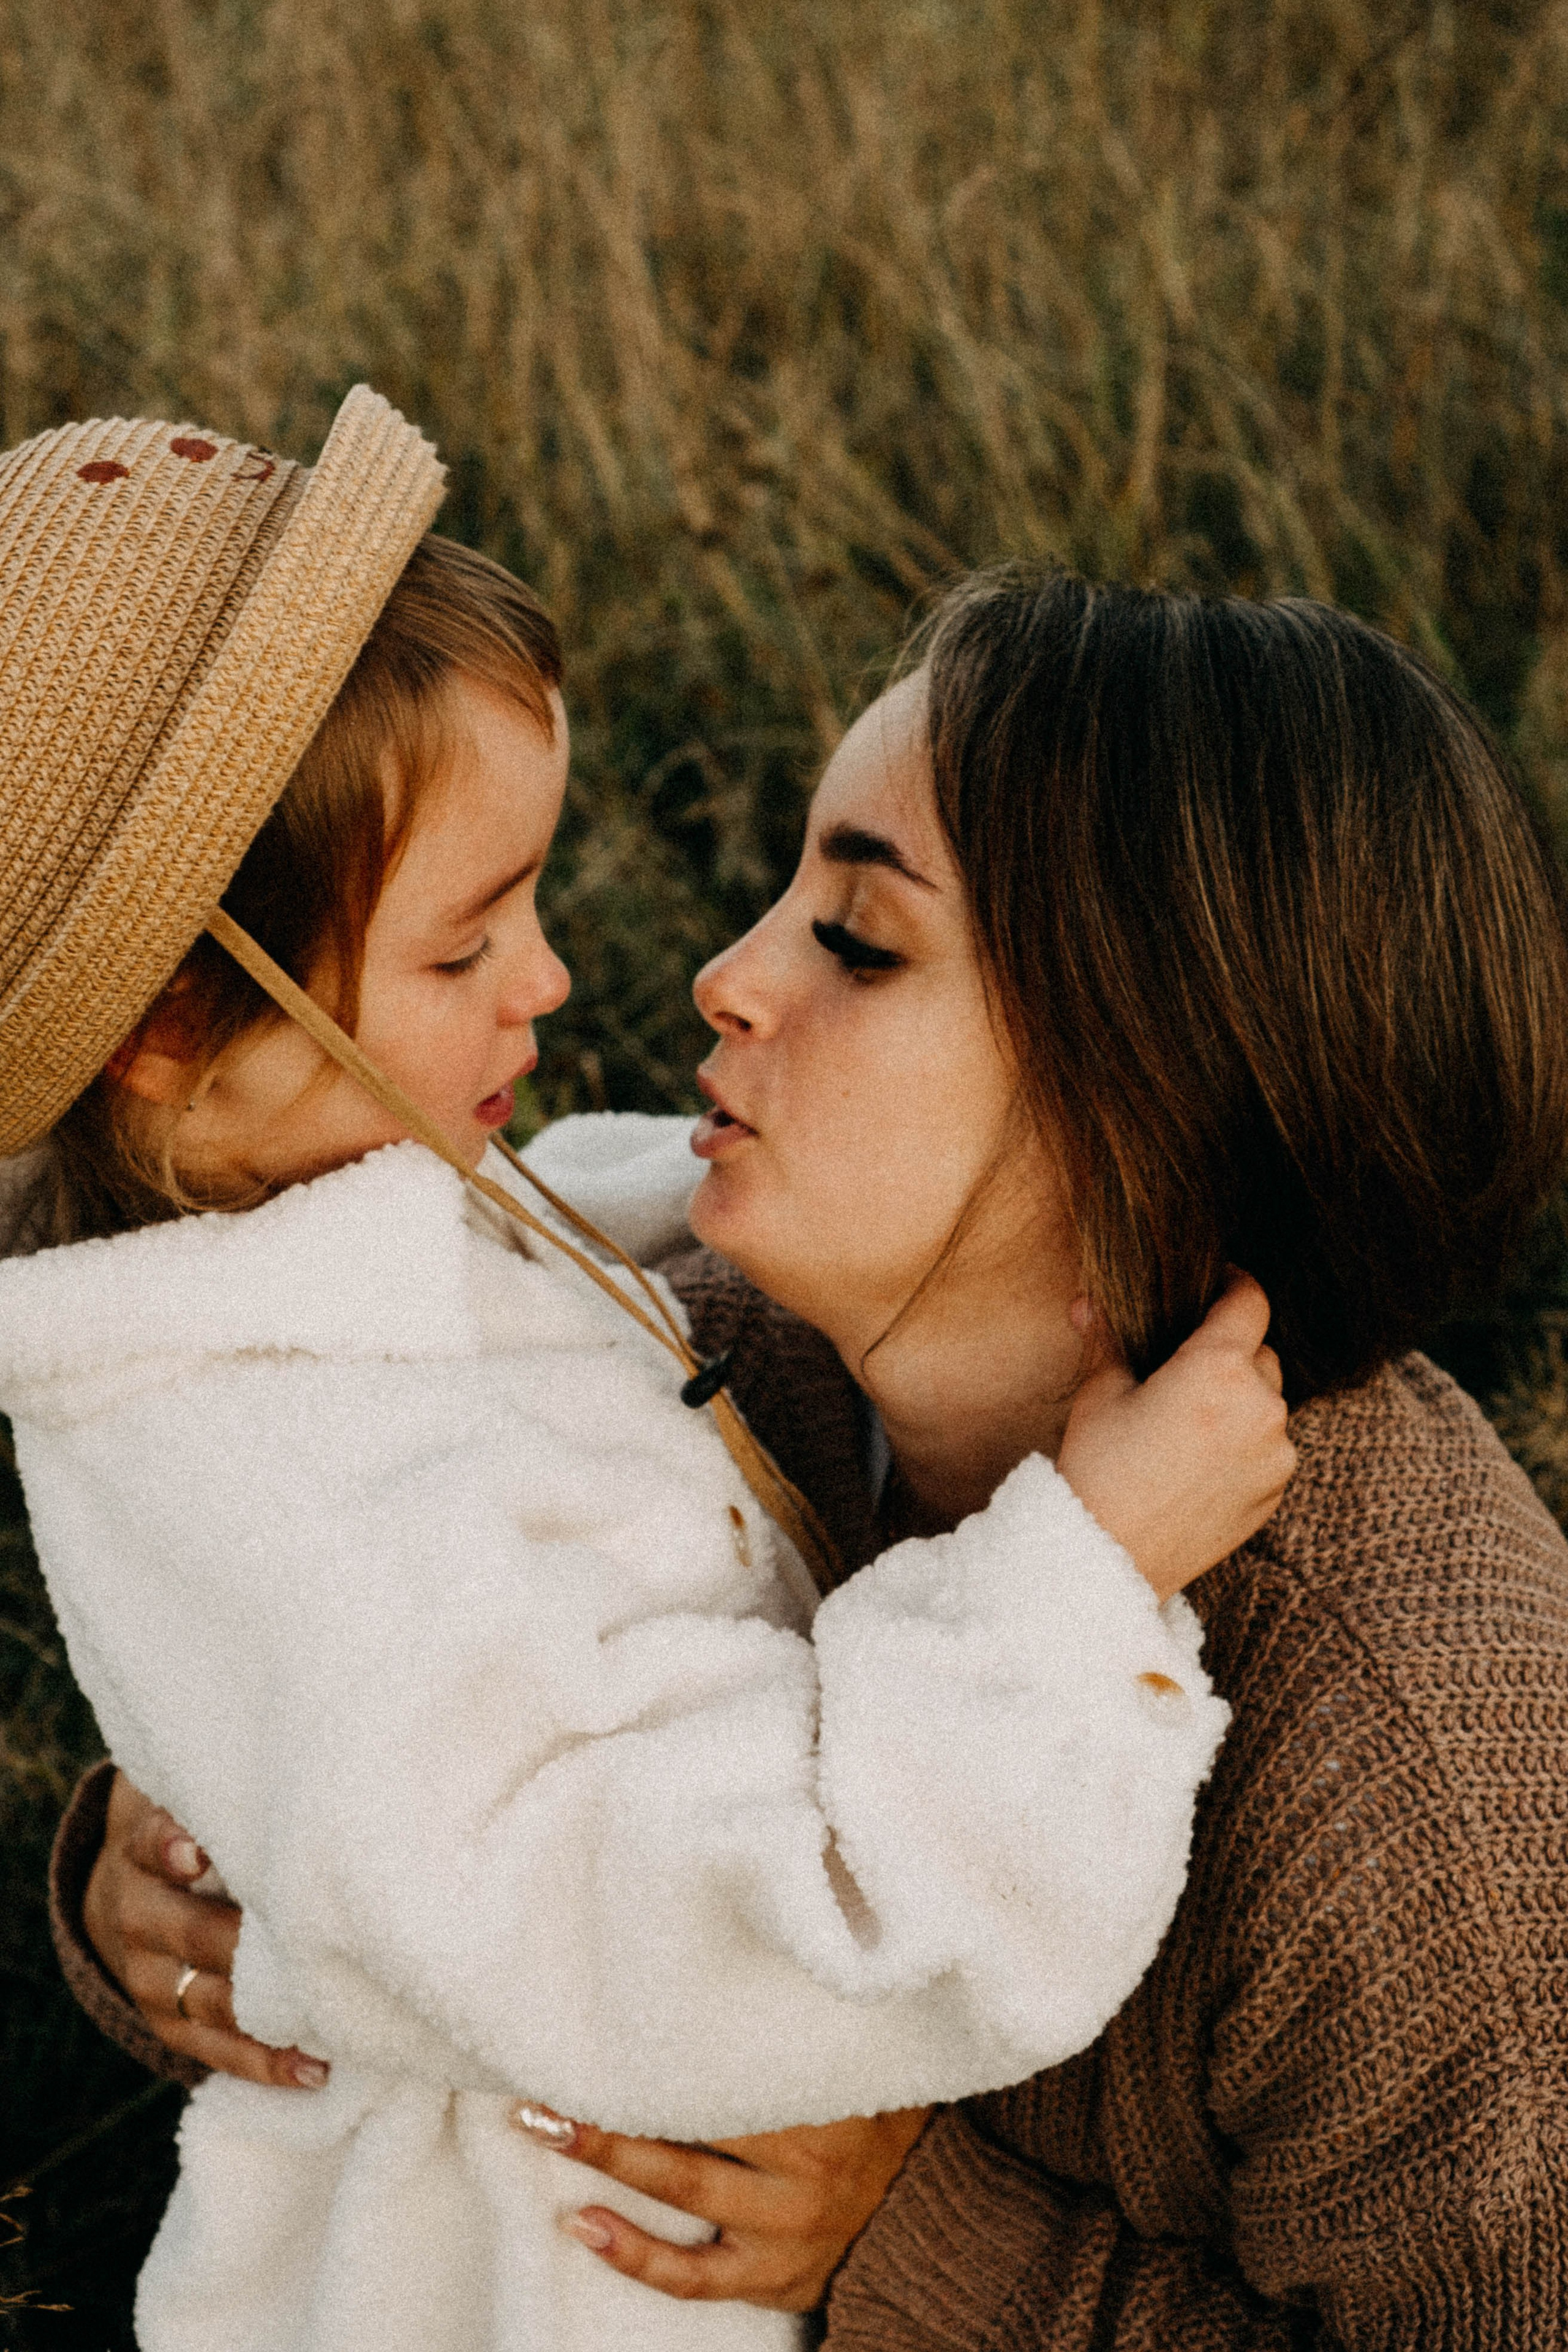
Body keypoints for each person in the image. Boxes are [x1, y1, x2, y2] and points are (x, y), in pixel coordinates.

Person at [59, 565, 1568, 2347]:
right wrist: (163, 1884)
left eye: (859, 941)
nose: (725, 973)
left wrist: (919, 2238)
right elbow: (445, 1789)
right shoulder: (699, 1338)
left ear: (1146, 1116)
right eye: (787, 889)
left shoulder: (1417, 1770)